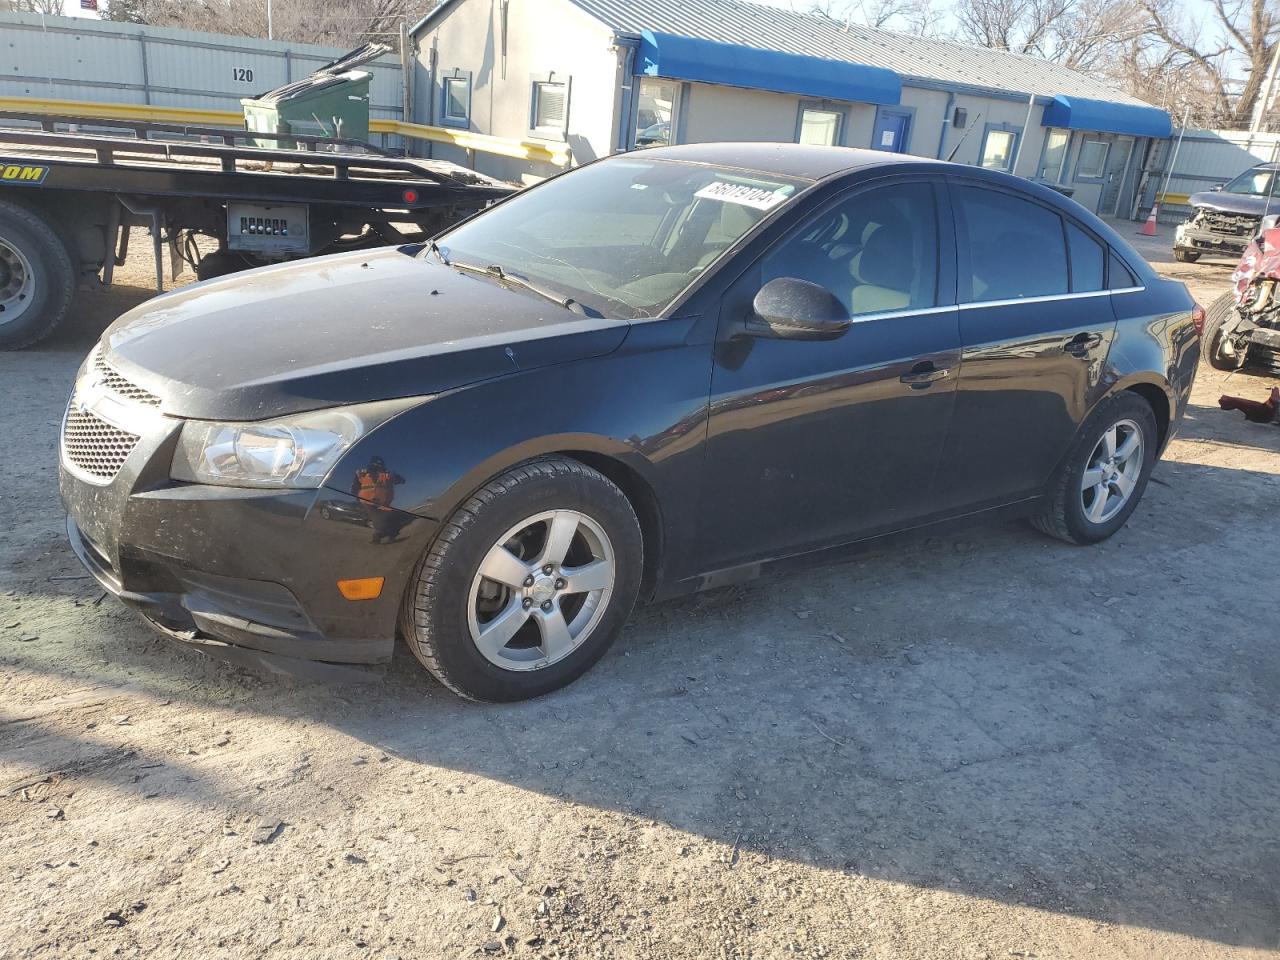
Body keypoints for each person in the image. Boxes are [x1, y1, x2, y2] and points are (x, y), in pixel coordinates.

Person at [350, 456, 406, 544]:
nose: (376, 469)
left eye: (379, 466)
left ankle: (390, 536)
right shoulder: (362, 474)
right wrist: (358, 497)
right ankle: (377, 537)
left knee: (395, 518)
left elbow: (402, 481)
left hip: (383, 504)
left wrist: (395, 476)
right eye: (375, 465)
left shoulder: (386, 475)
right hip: (368, 503)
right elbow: (354, 489)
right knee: (380, 522)